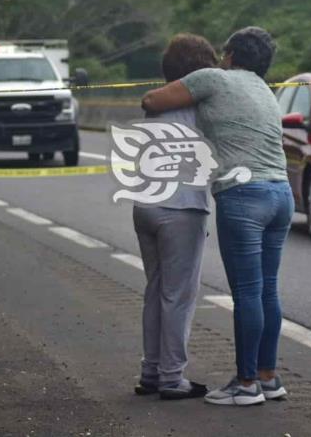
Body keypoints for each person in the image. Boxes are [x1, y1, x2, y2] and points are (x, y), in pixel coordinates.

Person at [142, 26, 294, 406]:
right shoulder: (265, 89)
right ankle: (268, 376)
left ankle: (244, 385)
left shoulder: (213, 78)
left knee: (246, 292)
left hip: (244, 195)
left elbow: (152, 99)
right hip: (281, 193)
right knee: (268, 289)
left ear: (228, 55)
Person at [133, 34, 217, 400]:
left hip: (146, 206)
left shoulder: (157, 105)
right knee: (178, 296)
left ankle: (151, 372)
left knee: (155, 291)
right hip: (181, 207)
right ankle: (172, 377)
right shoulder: (203, 106)